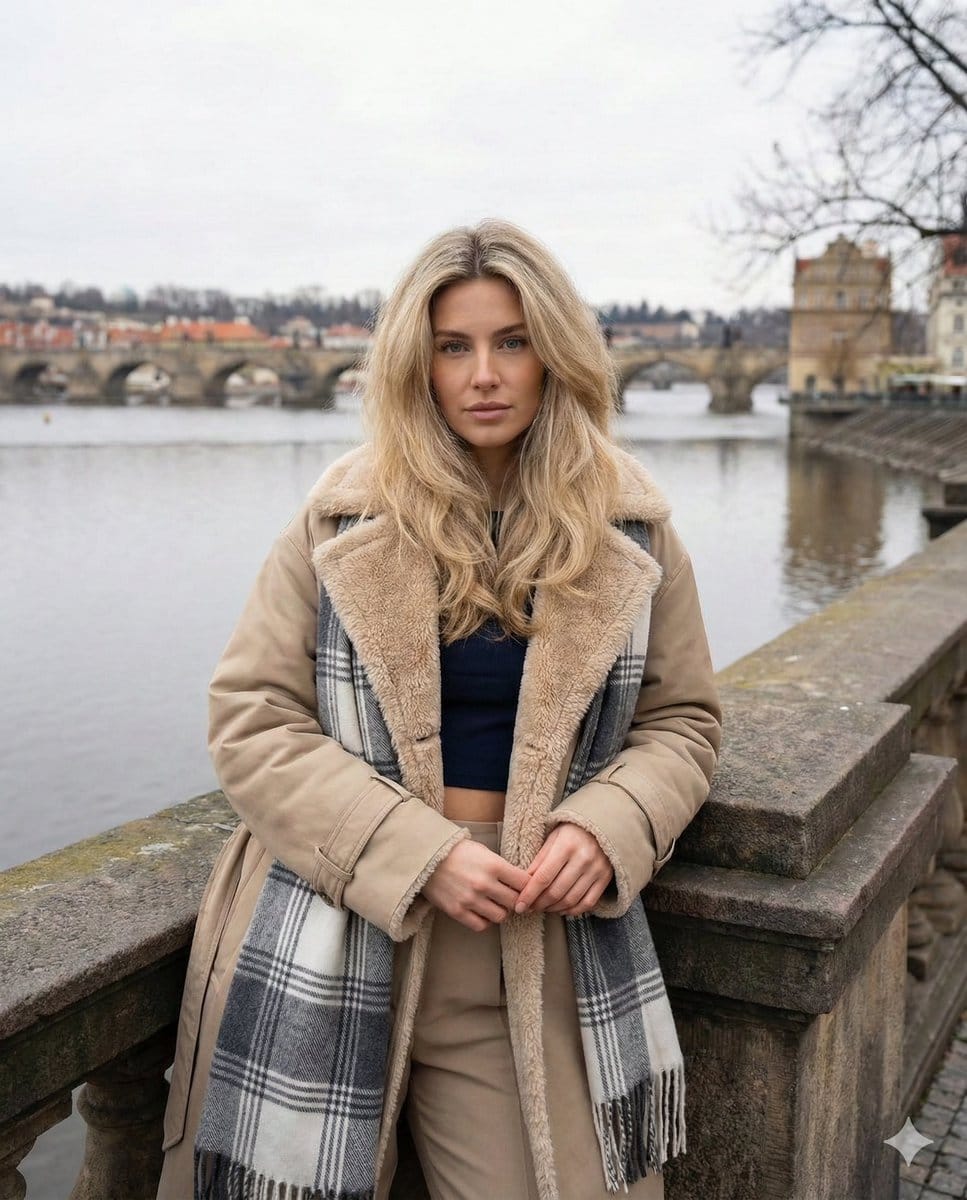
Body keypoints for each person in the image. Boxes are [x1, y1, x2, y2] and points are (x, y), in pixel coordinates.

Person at [157, 220, 721, 1200]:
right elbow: (250, 718)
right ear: (415, 366)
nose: (484, 375)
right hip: (337, 922)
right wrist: (416, 855)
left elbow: (684, 724)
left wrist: (609, 823)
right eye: (453, 348)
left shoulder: (633, 529)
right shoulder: (339, 516)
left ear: (555, 353)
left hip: (532, 932)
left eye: (511, 342)